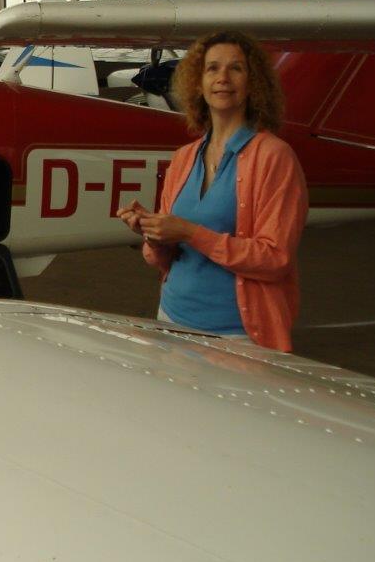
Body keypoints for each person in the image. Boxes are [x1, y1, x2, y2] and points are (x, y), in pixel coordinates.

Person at [117, 30, 308, 351]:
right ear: (198, 83)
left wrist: (191, 232)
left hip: (238, 335)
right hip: (171, 319)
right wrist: (153, 232)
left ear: (254, 83)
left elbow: (276, 259)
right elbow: (162, 260)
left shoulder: (274, 157)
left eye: (236, 68)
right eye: (212, 68)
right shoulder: (183, 158)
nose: (223, 77)